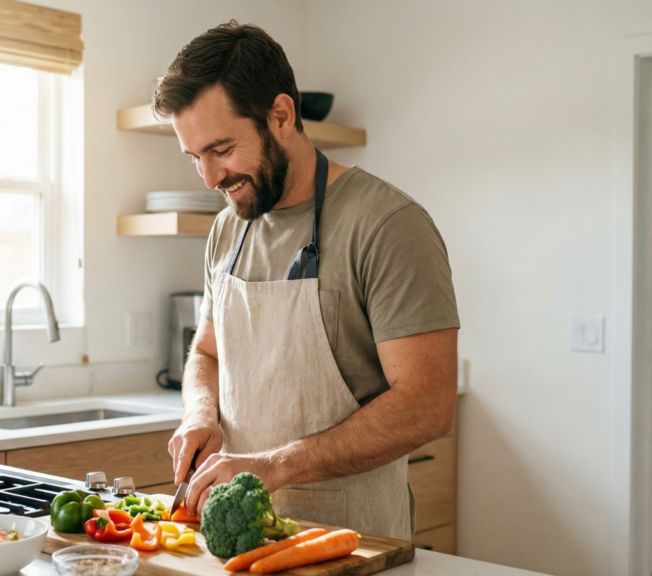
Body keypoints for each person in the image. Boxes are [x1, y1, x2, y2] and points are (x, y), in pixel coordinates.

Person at [157, 21, 460, 540]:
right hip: (242, 546)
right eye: (195, 159)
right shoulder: (228, 227)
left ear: (281, 114)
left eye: (222, 149)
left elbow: (428, 406)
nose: (209, 179)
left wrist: (275, 466)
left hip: (355, 545)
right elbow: (205, 353)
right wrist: (200, 414)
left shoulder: (387, 225)